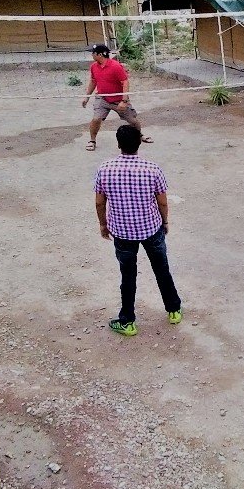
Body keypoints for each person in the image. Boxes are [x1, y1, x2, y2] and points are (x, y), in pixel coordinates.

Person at [94, 124, 182, 337]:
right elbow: (162, 201)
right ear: (139, 143)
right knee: (162, 270)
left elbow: (99, 202)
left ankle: (128, 321)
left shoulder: (105, 169)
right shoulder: (152, 169)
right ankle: (173, 310)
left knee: (128, 276)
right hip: (151, 229)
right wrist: (165, 222)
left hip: (122, 232)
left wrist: (103, 224)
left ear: (118, 144)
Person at [81, 43, 152, 151]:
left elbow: (125, 82)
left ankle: (139, 135)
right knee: (96, 119)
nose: (91, 55)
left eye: (93, 53)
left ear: (100, 54)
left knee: (133, 121)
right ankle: (92, 141)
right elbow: (93, 81)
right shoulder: (93, 67)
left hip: (118, 99)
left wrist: (124, 101)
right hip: (103, 98)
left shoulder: (115, 66)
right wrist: (87, 97)